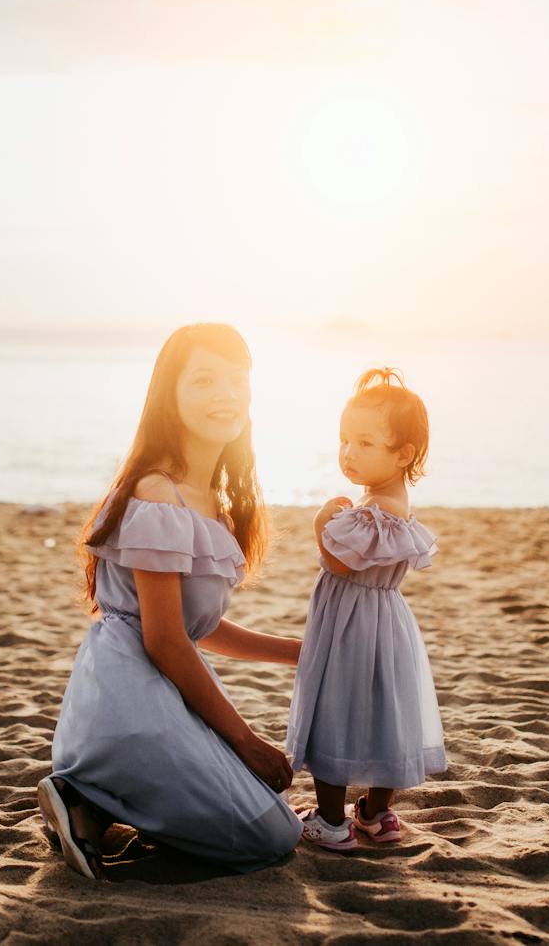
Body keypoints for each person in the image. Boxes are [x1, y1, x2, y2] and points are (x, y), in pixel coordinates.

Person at [39, 323, 304, 880]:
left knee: (271, 818)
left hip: (152, 687)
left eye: (236, 379)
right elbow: (164, 641)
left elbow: (196, 627)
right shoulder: (159, 492)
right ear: (170, 394)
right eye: (204, 380)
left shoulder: (215, 501)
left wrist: (297, 653)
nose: (224, 394)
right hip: (128, 698)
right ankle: (88, 796)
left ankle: (95, 811)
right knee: (272, 835)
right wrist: (247, 740)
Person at [286, 367, 447, 850]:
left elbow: (342, 562)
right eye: (344, 440)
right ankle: (376, 813)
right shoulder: (388, 501)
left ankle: (332, 822)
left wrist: (320, 523)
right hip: (384, 621)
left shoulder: (378, 510)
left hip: (352, 622)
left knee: (336, 708)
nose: (348, 453)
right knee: (386, 712)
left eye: (364, 443)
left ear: (403, 454)